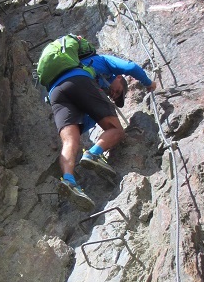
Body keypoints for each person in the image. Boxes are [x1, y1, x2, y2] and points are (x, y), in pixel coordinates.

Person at [47, 52, 158, 210]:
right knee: (117, 131)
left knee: (70, 140)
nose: (113, 95)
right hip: (79, 79)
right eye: (118, 92)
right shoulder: (103, 61)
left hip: (55, 92)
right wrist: (148, 83)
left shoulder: (84, 72)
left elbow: (84, 124)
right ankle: (93, 154)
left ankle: (68, 180)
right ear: (119, 78)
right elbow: (131, 66)